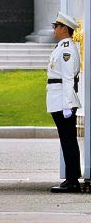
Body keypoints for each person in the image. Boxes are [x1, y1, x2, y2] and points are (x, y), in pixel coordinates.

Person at [47, 11, 82, 193]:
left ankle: (72, 180)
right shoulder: (62, 47)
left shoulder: (67, 49)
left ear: (64, 29)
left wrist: (67, 104)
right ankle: (71, 178)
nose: (54, 29)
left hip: (63, 101)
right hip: (58, 100)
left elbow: (68, 78)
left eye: (56, 26)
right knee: (67, 140)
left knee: (68, 141)